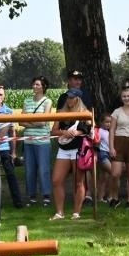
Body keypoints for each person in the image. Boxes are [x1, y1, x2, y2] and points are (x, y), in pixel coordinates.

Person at [50, 92, 89, 220]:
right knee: (56, 180)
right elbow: (54, 131)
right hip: (64, 149)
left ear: (78, 99)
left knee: (78, 181)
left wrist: (77, 132)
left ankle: (76, 212)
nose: (69, 100)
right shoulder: (61, 113)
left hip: (78, 149)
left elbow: (88, 128)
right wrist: (64, 132)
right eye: (68, 97)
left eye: (72, 97)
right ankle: (59, 212)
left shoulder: (84, 112)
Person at [0, 85, 24, 211]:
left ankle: (18, 202)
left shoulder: (8, 111)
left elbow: (12, 133)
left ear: (4, 96)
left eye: (1, 95)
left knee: (11, 174)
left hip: (4, 148)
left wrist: (13, 152)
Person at [20, 78, 54, 207]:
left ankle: (46, 195)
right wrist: (34, 123)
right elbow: (20, 121)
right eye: (33, 83)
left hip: (42, 141)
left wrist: (28, 123)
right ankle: (31, 196)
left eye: (37, 84)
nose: (34, 86)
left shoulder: (47, 101)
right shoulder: (27, 101)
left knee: (43, 169)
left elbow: (43, 122)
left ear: (43, 87)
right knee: (29, 170)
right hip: (28, 141)